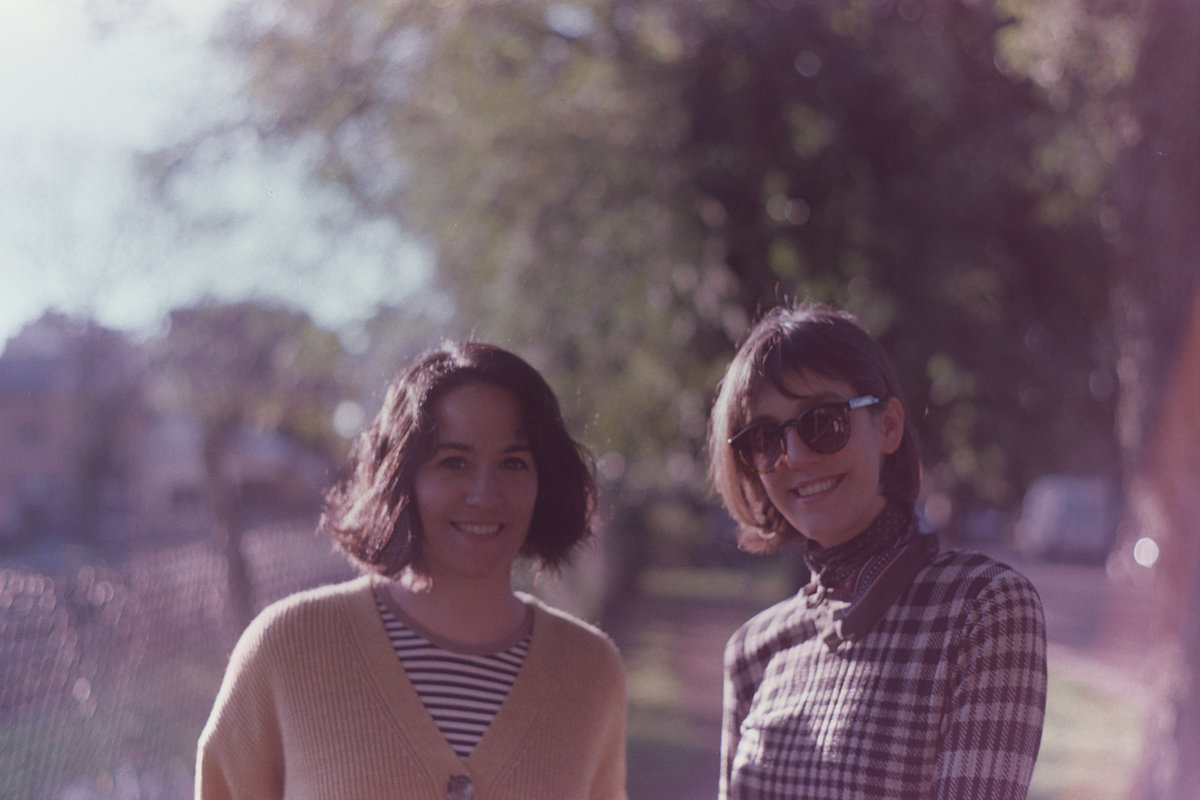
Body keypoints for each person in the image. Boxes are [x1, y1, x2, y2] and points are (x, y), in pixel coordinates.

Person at [196, 342, 627, 800]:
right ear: (403, 479)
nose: (485, 494)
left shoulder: (590, 669)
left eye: (513, 463)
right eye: (453, 462)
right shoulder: (288, 646)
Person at [708, 302, 1046, 799]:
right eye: (765, 438)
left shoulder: (983, 610)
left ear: (888, 426)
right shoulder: (752, 651)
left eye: (823, 422)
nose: (794, 457)